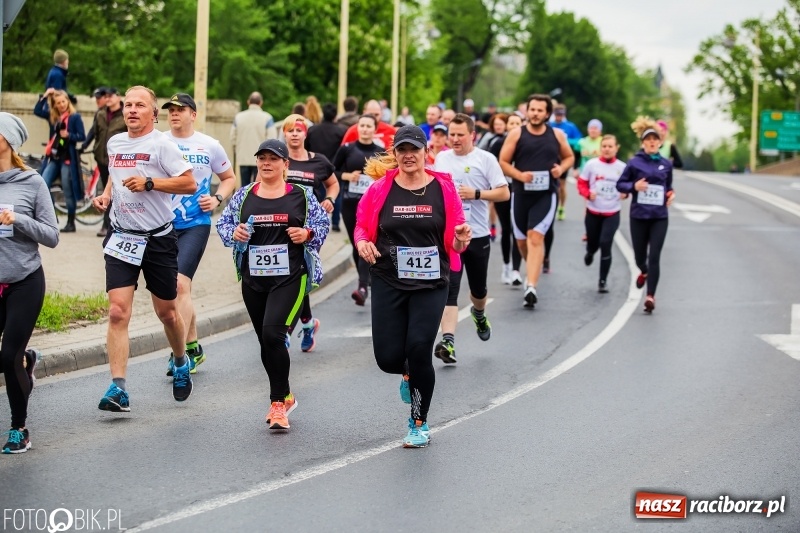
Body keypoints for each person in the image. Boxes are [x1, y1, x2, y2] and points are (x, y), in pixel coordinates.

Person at [355, 125, 471, 448]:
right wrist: (362, 242)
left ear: (425, 153)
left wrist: (461, 240)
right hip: (388, 278)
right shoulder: (380, 189)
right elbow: (362, 225)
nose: (408, 156)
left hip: (430, 281)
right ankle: (408, 371)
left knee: (419, 348)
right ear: (395, 154)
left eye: (414, 150)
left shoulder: (444, 188)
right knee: (387, 358)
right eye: (402, 150)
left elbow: (457, 240)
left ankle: (419, 423)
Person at [92, 85, 197, 411]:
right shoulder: (115, 142)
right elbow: (115, 173)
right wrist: (106, 195)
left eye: (139, 105)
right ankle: (118, 387)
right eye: (128, 105)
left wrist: (150, 183)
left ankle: (180, 360)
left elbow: (189, 183)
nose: (132, 110)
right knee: (117, 311)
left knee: (167, 312)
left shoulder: (162, 145)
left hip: (158, 239)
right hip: (122, 236)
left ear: (153, 113)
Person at [216, 139, 329, 430]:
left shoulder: (302, 195)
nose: (267, 163)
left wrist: (307, 234)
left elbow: (322, 225)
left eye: (273, 158)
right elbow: (223, 225)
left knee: (273, 335)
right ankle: (286, 395)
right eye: (262, 158)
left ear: (285, 164)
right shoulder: (243, 195)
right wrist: (235, 233)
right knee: (266, 341)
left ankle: (278, 403)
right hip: (253, 279)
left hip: (290, 276)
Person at [161, 93, 236, 376]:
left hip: (196, 224)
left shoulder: (209, 145)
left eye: (180, 109)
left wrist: (217, 198)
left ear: (193, 115)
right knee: (179, 290)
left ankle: (179, 354)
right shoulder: (159, 142)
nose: (174, 113)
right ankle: (193, 348)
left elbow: (229, 178)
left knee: (179, 285)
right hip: (162, 225)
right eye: (170, 110)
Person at [0, 113, 59, 453]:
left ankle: (18, 428)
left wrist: (18, 219)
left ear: (8, 141)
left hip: (24, 281)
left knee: (9, 356)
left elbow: (51, 236)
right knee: (11, 358)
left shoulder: (32, 182)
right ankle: (28, 360)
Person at [432, 114, 509, 364]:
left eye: (460, 135)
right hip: (450, 236)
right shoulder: (442, 158)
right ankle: (448, 342)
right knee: (449, 289)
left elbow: (504, 193)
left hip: (477, 234)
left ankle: (479, 313)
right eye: (451, 135)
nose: (455, 139)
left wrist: (476, 194)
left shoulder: (485, 159)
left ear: (472, 135)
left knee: (478, 290)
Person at [499, 94, 574, 309]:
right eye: (532, 109)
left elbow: (569, 157)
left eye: (540, 110)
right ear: (527, 111)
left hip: (546, 194)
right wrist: (520, 175)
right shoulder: (516, 134)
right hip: (521, 194)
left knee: (535, 237)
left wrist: (561, 169)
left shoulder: (557, 135)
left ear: (547, 113)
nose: (535, 113)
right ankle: (533, 266)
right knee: (522, 242)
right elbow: (503, 162)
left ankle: (531, 286)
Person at [283, 114, 339, 351]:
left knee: (300, 274)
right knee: (295, 277)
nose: (295, 134)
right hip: (283, 226)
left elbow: (333, 184)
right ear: (284, 134)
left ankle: (285, 332)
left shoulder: (319, 161)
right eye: (290, 130)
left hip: (311, 228)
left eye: (299, 130)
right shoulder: (278, 159)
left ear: (306, 134)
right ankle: (307, 324)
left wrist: (330, 199)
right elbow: (259, 187)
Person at [616, 117, 675, 313]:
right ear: (643, 143)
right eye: (648, 139)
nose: (652, 142)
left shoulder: (666, 164)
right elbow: (620, 184)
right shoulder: (634, 163)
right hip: (639, 216)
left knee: (655, 256)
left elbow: (669, 187)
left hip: (659, 217)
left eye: (655, 139)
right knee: (640, 258)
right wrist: (634, 186)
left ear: (660, 142)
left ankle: (650, 296)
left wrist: (670, 195)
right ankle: (643, 271)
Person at [331, 114, 383, 305]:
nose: (365, 129)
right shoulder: (347, 149)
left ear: (375, 129)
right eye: (362, 125)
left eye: (369, 126)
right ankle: (366, 277)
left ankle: (362, 286)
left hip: (372, 205)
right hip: (350, 202)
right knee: (357, 244)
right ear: (357, 128)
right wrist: (346, 176)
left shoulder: (380, 152)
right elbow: (331, 171)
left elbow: (389, 175)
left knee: (366, 240)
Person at [577, 134, 627, 293]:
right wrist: (587, 193)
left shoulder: (622, 167)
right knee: (593, 242)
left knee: (606, 243)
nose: (607, 149)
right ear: (600, 148)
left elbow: (628, 186)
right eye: (604, 146)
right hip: (593, 211)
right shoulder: (592, 165)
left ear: (616, 148)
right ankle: (590, 251)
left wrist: (625, 193)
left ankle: (602, 281)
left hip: (612, 212)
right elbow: (582, 183)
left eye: (610, 146)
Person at [33, 88, 86, 233]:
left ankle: (71, 222)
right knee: (43, 183)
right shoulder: (54, 117)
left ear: (67, 101)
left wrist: (68, 135)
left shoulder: (75, 117)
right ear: (55, 105)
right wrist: (45, 96)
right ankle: (51, 216)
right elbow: (37, 111)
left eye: (64, 101)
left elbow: (82, 136)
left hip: (67, 158)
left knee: (67, 190)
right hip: (54, 157)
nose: (62, 105)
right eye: (58, 103)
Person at [489, 113, 523, 285]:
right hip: (502, 189)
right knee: (506, 228)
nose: (514, 126)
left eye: (518, 123)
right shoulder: (498, 143)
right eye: (511, 123)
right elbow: (490, 166)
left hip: (520, 190)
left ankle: (516, 270)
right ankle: (506, 266)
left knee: (517, 229)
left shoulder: (525, 143)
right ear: (506, 126)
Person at [90, 88, 126, 237]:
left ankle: (110, 225)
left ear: (118, 97)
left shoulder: (125, 114)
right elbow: (95, 134)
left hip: (119, 161)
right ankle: (107, 225)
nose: (108, 98)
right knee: (106, 191)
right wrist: (93, 149)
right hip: (102, 159)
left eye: (111, 95)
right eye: (106, 96)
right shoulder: (100, 114)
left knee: (115, 191)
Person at [306, 103, 346, 231]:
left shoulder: (312, 130)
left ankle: (316, 219)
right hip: (334, 165)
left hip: (314, 166)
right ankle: (335, 222)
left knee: (316, 193)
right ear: (335, 115)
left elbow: (306, 148)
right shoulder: (341, 131)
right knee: (335, 194)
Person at [231, 92, 277, 187]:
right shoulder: (267, 118)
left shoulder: (238, 117)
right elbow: (272, 139)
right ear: (261, 102)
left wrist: (236, 150)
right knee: (259, 186)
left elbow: (232, 137)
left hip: (243, 157)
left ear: (248, 102)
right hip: (262, 158)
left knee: (245, 186)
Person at [550, 103, 582, 221]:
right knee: (550, 185)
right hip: (551, 158)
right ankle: (551, 207)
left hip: (563, 158)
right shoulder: (549, 125)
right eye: (557, 114)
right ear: (554, 114)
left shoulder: (570, 126)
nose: (559, 117)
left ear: (564, 115)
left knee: (561, 186)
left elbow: (579, 141)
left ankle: (561, 207)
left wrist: (565, 140)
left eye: (561, 115)